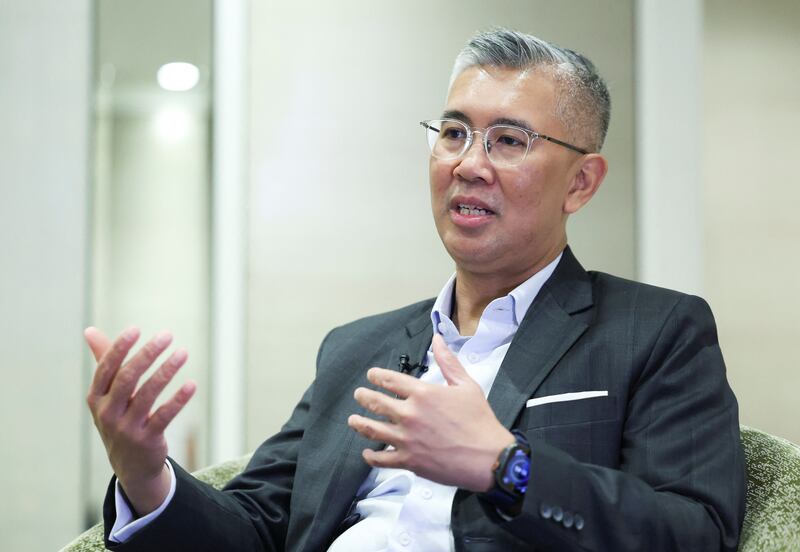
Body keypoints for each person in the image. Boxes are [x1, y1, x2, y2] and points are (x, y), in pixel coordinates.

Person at [85, 28, 745, 551]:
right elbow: (258, 529)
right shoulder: (355, 350)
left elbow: (694, 533)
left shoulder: (655, 330)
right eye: (453, 133)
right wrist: (147, 477)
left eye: (508, 140)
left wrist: (507, 467)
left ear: (581, 183)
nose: (468, 164)